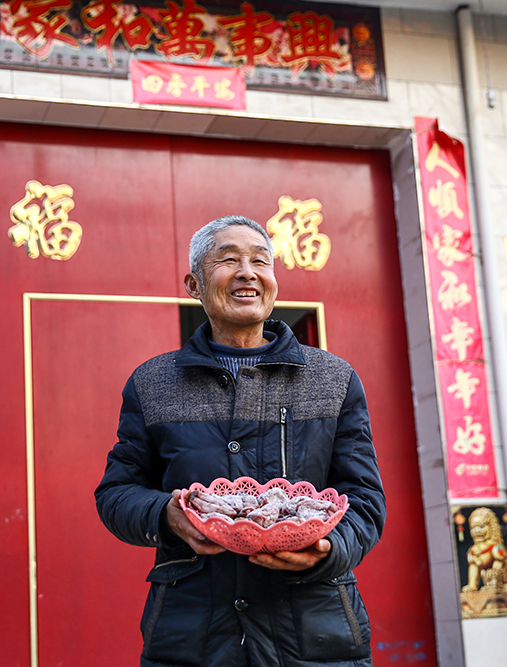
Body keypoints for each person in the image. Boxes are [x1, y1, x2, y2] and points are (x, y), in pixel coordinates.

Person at [95, 215, 385, 667]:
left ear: (272, 282)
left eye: (260, 261)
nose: (247, 272)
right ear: (194, 284)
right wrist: (166, 515)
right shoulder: (153, 383)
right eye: (228, 260)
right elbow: (116, 494)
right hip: (192, 637)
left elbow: (365, 500)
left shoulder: (333, 379)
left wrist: (327, 550)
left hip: (315, 634)